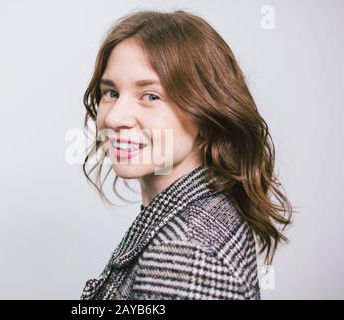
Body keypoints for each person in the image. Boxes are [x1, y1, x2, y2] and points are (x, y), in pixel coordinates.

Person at [80, 9, 293, 300]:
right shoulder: (195, 215)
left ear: (206, 116)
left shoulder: (185, 253)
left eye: (150, 96)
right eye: (112, 93)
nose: (116, 118)